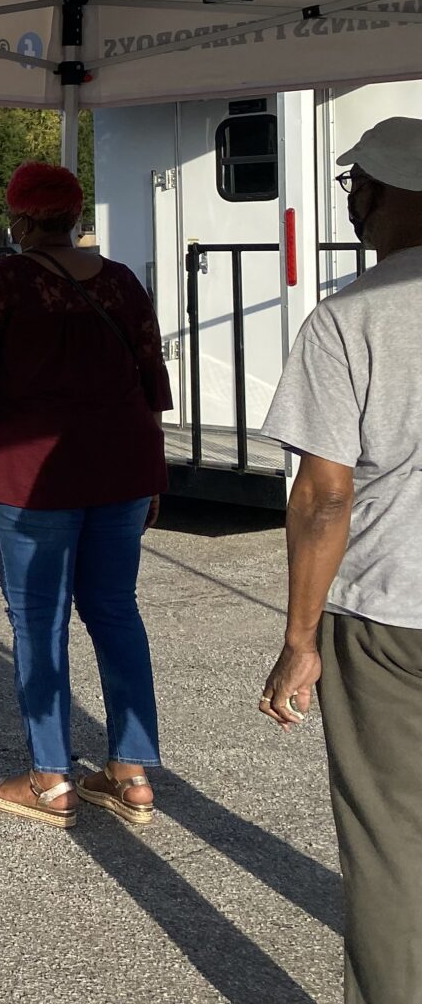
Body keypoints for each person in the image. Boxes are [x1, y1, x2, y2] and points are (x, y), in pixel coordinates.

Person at [0, 162, 173, 828]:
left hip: (34, 477)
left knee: (41, 621)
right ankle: (131, 774)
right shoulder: (121, 280)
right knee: (116, 612)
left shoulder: (7, 280)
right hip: (123, 467)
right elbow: (151, 379)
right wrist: (152, 472)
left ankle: (50, 780)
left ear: (24, 219)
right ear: (73, 215)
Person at [258, 117, 422, 1004]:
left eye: (355, 187)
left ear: (387, 196)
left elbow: (324, 494)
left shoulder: (350, 314)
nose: (351, 203)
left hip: (392, 609)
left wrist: (299, 636)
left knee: (392, 840)